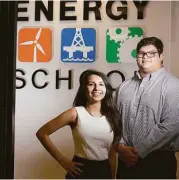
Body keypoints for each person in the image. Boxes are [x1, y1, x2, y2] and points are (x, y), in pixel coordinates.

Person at [36, 69, 122, 179]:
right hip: (81, 170)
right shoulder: (75, 113)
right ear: (84, 88)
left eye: (101, 84)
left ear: (106, 89)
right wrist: (62, 161)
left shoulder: (112, 116)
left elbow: (112, 153)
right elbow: (42, 133)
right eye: (91, 84)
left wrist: (113, 177)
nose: (97, 88)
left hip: (104, 171)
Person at [115, 37, 179, 179]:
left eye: (151, 53)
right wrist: (120, 147)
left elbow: (172, 125)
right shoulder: (124, 87)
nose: (145, 57)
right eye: (141, 53)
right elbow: (113, 121)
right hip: (125, 161)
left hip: (158, 162)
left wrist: (137, 152)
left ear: (161, 56)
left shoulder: (173, 86)